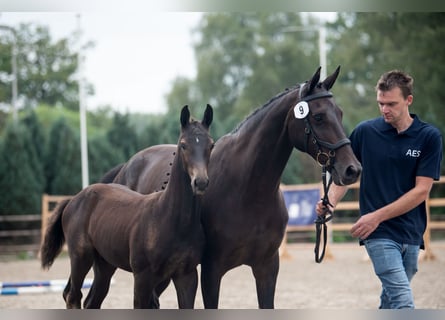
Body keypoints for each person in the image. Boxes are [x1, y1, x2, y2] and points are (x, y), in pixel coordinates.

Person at [316, 70, 443, 309]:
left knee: (391, 298)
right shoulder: (365, 133)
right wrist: (330, 201)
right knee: (403, 301)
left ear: (408, 100)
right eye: (380, 103)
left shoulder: (429, 137)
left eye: (391, 104)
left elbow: (421, 191)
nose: (385, 109)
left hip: (411, 232)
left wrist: (377, 216)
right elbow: (345, 174)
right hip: (378, 235)